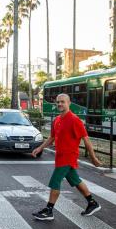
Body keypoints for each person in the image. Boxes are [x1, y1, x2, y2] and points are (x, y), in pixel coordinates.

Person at [31, 93, 103, 221]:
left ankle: (49, 210)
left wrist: (93, 158)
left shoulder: (75, 120)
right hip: (60, 156)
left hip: (68, 156)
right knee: (75, 180)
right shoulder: (57, 120)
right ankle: (92, 203)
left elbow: (86, 140)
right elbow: (52, 138)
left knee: (55, 181)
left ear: (69, 103)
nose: (59, 104)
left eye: (62, 102)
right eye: (58, 102)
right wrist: (40, 148)